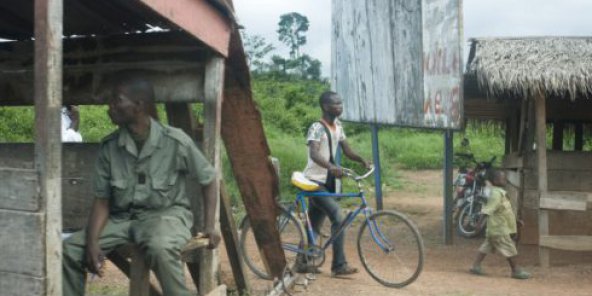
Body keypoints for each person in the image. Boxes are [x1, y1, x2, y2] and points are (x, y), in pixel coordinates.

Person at [62, 75, 221, 296]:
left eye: (117, 100)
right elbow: (102, 201)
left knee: (160, 248)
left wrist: (211, 225)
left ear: (138, 106)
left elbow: (209, 179)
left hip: (166, 216)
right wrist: (91, 242)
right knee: (70, 250)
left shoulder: (175, 141)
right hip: (122, 219)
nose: (110, 106)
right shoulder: (110, 147)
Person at [299, 91, 371, 277]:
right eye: (335, 104)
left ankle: (302, 262)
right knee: (338, 218)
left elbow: (346, 149)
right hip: (314, 182)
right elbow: (314, 154)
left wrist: (361, 159)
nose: (340, 106)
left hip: (328, 182)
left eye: (341, 103)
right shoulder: (316, 127)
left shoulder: (337, 126)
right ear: (325, 106)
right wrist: (331, 167)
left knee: (314, 224)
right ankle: (339, 266)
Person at [469, 169, 530, 280]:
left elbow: (504, 211)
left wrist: (516, 221)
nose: (505, 180)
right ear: (495, 181)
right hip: (499, 229)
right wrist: (478, 224)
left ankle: (475, 266)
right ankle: (516, 270)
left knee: (486, 247)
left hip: (496, 229)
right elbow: (488, 210)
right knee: (510, 248)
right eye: (502, 178)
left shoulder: (501, 194)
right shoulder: (496, 194)